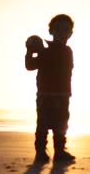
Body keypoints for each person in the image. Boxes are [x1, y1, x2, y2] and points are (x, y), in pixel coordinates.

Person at [24, 14, 76, 165]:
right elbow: (30, 66)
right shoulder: (45, 50)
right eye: (58, 29)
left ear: (70, 33)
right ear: (51, 31)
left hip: (62, 94)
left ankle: (59, 151)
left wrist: (40, 50)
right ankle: (40, 152)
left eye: (65, 30)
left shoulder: (67, 51)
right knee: (43, 124)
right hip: (45, 94)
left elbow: (63, 65)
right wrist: (30, 51)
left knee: (61, 123)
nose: (62, 33)